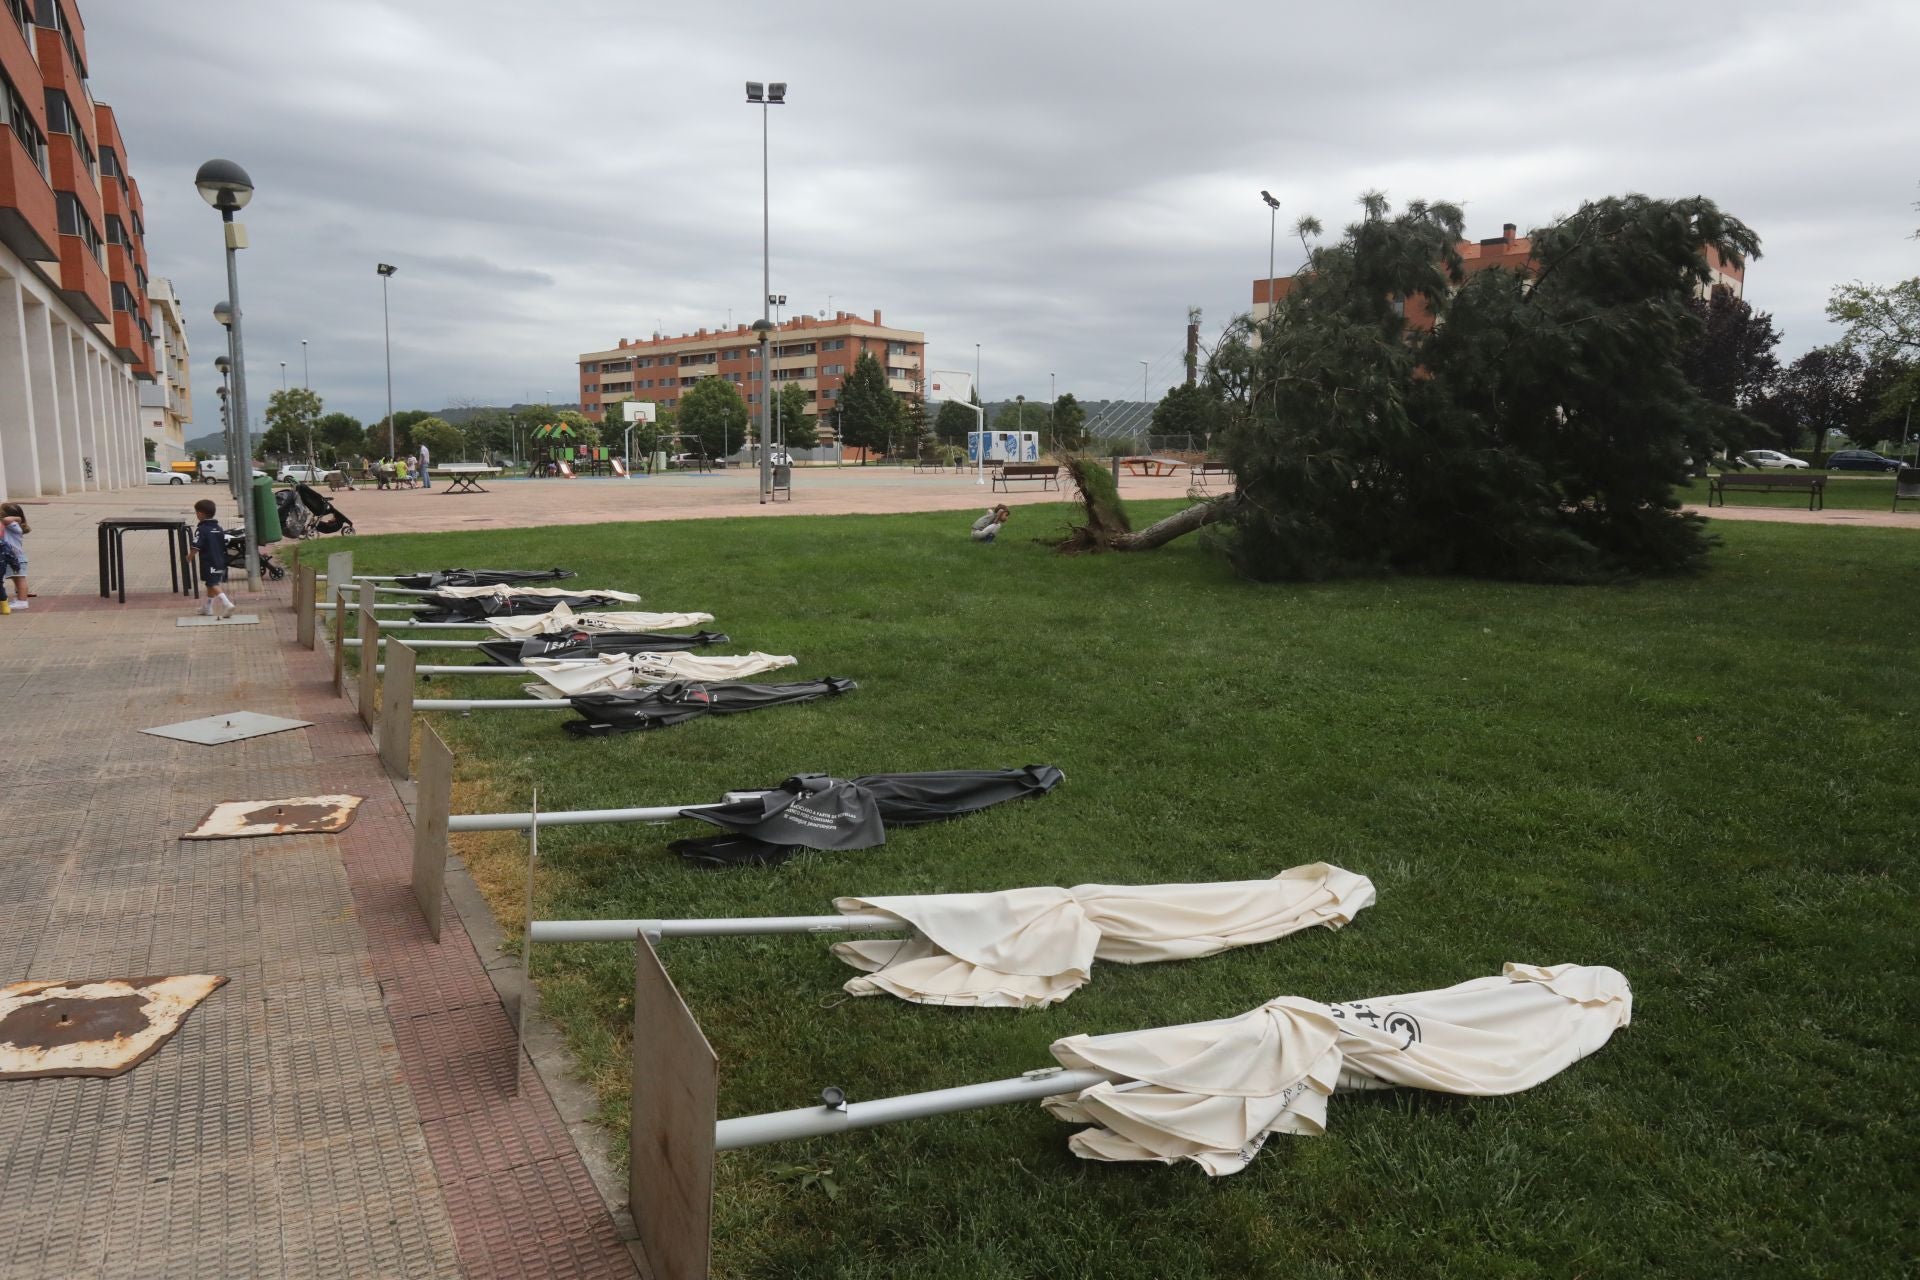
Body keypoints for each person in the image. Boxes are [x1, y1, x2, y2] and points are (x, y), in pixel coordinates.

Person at [188, 498, 236, 619]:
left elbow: (196, 546)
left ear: (200, 514)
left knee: (212, 583)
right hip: (220, 560)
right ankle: (208, 607)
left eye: (196, 512)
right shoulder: (219, 528)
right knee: (211, 583)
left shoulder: (202, 529)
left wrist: (189, 557)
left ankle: (227, 603)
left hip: (208, 561)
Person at [0, 502, 29, 609]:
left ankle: (22, 601)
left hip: (16, 557)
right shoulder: (11, 525)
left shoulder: (13, 524)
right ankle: (20, 598)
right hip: (13, 557)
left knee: (20, 579)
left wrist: (17, 518)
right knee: (16, 578)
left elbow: (5, 520)